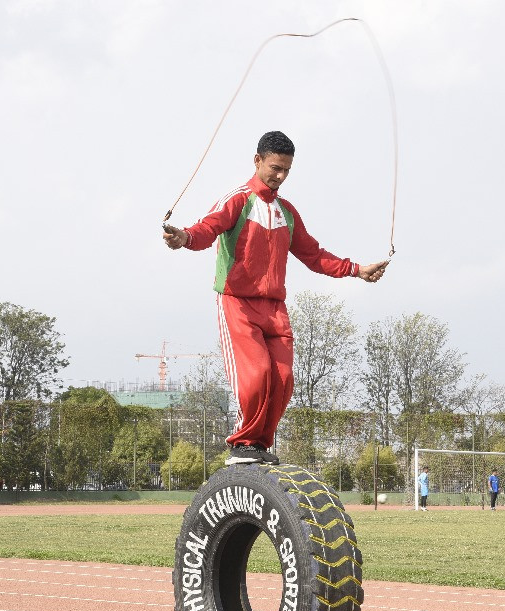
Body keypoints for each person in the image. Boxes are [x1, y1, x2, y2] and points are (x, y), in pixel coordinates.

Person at [162, 131, 389, 465]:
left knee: (283, 380)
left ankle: (259, 447)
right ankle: (241, 444)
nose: (280, 176)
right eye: (275, 168)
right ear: (258, 161)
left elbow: (314, 255)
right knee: (256, 375)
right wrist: (184, 237)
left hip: (275, 308)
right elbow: (205, 229)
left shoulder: (288, 212)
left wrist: (357, 269)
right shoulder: (237, 200)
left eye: (286, 170)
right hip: (238, 302)